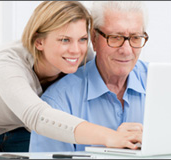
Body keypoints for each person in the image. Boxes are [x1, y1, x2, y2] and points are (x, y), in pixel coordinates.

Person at [0, 1, 142, 152]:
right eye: (64, 40)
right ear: (39, 41)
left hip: (24, 129)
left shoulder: (82, 57)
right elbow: (37, 115)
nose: (76, 50)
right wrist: (110, 136)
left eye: (82, 39)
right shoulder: (6, 62)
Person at [29, 1, 149, 152]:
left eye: (135, 38)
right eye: (115, 37)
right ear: (94, 38)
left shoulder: (163, 84)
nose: (126, 50)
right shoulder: (58, 101)